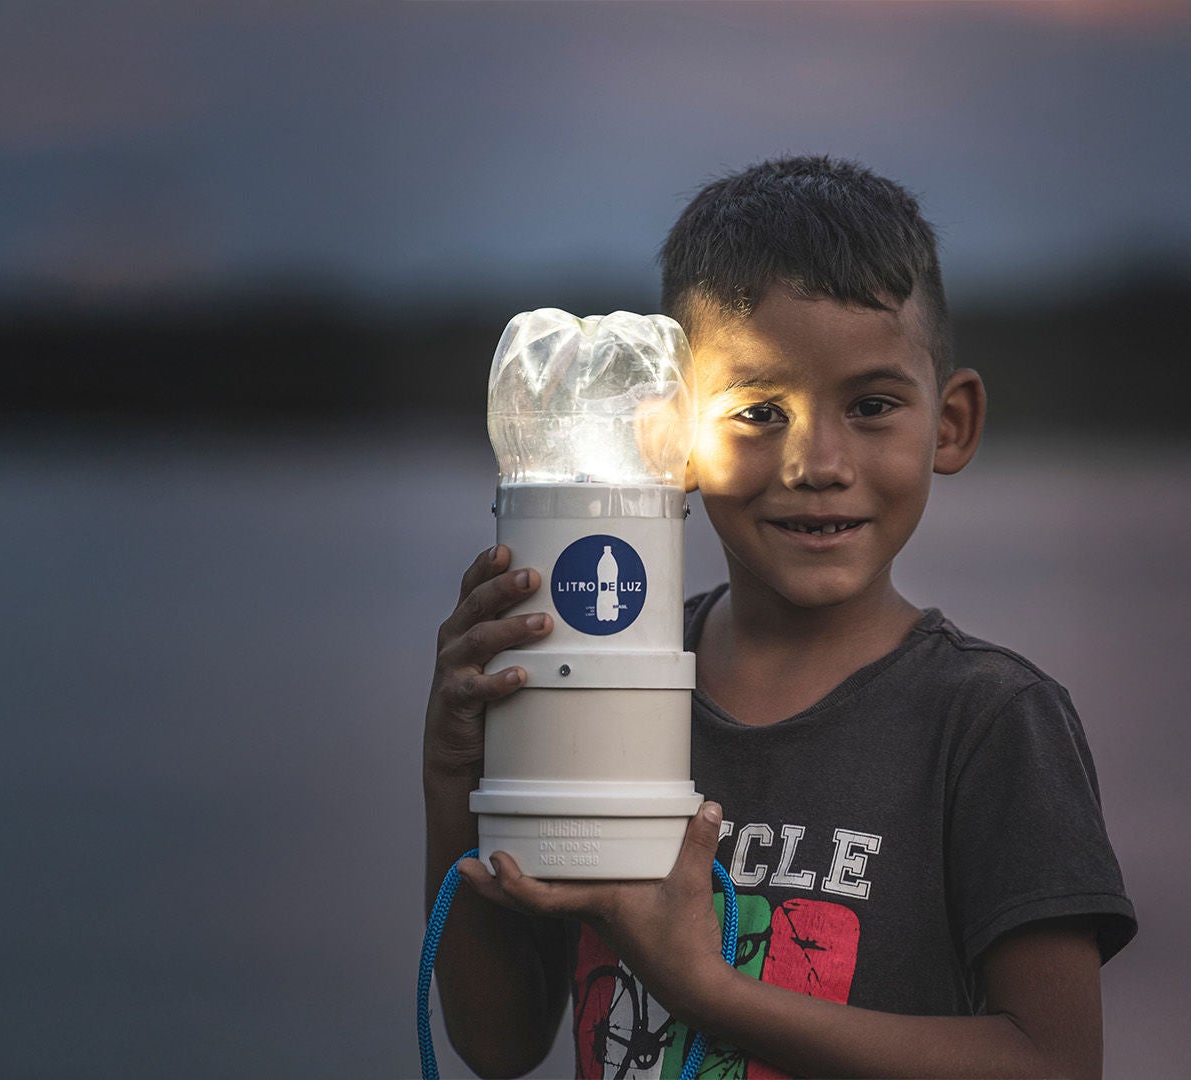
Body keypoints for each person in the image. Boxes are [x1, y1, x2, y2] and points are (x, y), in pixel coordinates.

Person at [424, 156, 1136, 1079]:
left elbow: (1057, 1064)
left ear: (951, 424)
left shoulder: (991, 721)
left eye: (872, 406)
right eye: (759, 410)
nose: (817, 461)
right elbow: (500, 1043)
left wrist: (708, 989)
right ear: (667, 438)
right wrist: (451, 772)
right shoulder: (609, 675)